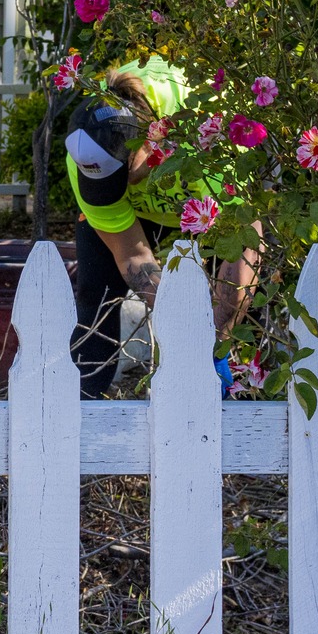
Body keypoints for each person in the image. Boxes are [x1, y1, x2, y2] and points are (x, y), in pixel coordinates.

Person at [64, 60, 254, 397]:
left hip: (206, 209)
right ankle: (85, 402)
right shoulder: (85, 154)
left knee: (231, 301)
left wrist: (215, 340)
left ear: (149, 142)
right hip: (142, 215)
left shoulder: (206, 131)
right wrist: (181, 329)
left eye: (122, 175)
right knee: (97, 296)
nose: (117, 187)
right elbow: (133, 256)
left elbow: (243, 247)